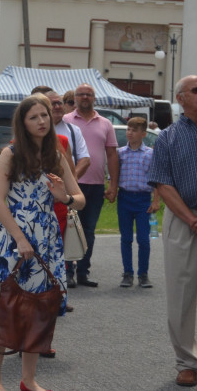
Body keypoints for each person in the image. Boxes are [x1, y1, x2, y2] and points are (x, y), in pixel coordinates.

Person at [0, 94, 84, 391]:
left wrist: (63, 195)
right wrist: (20, 237)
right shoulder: (10, 153)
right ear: (23, 123)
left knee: (38, 310)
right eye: (34, 117)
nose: (41, 121)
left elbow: (80, 200)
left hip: (48, 239)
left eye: (44, 115)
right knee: (4, 308)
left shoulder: (57, 154)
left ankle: (28, 380)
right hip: (14, 239)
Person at [148, 75, 197, 388]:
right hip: (183, 224)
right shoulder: (167, 137)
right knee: (181, 299)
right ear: (181, 98)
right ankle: (187, 363)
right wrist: (194, 221)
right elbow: (163, 185)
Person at [63, 83, 119, 287]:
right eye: (81, 94)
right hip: (71, 185)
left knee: (88, 230)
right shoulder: (65, 121)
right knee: (69, 228)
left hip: (95, 185)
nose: (85, 97)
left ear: (95, 98)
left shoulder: (105, 123)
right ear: (75, 98)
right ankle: (67, 271)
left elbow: (112, 154)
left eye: (89, 94)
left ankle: (83, 272)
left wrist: (113, 184)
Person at [116, 116, 159, 288]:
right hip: (125, 198)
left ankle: (143, 273)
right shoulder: (120, 153)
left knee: (144, 239)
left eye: (134, 130)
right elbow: (114, 175)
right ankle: (127, 273)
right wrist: (112, 190)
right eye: (128, 129)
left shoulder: (150, 154)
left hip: (143, 201)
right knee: (126, 238)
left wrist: (156, 201)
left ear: (143, 134)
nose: (130, 133)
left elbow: (156, 180)